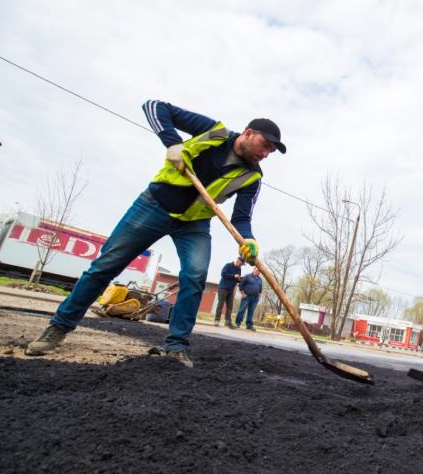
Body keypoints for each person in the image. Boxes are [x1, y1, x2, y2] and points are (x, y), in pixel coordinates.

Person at [25, 100, 286, 368]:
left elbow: (241, 218)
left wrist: (249, 239)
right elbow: (154, 106)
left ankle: (175, 346)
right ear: (249, 133)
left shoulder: (252, 177)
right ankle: (59, 327)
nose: (266, 154)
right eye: (265, 146)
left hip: (194, 225)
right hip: (154, 207)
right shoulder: (213, 130)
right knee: (105, 266)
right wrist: (172, 143)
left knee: (195, 276)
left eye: (271, 151)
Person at [214, 257, 243, 328]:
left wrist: (240, 279)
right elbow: (223, 274)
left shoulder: (239, 269)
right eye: (241, 264)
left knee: (230, 306)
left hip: (231, 290)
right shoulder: (228, 265)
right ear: (238, 261)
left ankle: (227, 322)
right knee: (220, 304)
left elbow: (237, 280)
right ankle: (217, 320)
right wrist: (233, 276)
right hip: (223, 288)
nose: (241, 265)